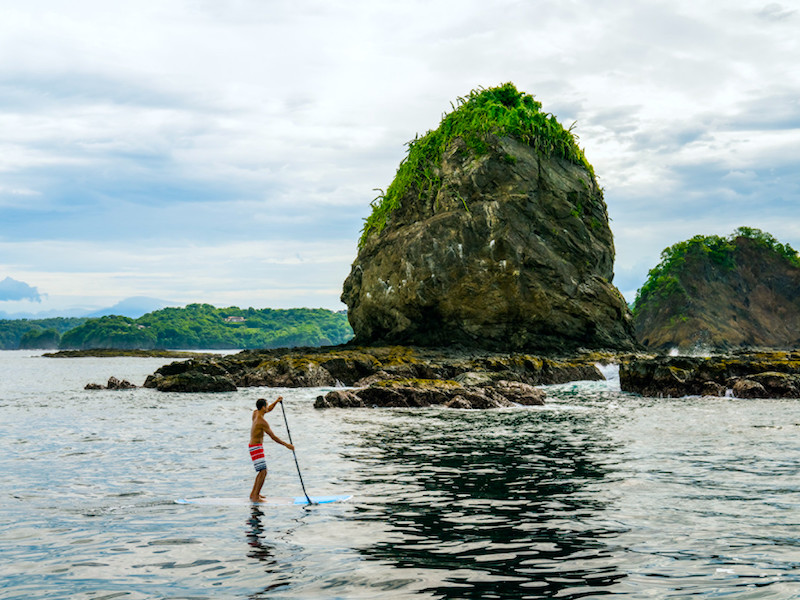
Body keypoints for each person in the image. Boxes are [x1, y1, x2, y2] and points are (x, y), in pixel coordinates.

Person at [249, 397, 294, 502]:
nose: (268, 407)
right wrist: (287, 445)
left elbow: (269, 409)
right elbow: (273, 437)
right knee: (263, 471)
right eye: (267, 405)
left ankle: (253, 494)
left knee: (261, 471)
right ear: (263, 407)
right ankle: (255, 497)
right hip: (256, 448)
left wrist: (277, 402)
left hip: (253, 446)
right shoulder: (262, 421)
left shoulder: (256, 413)